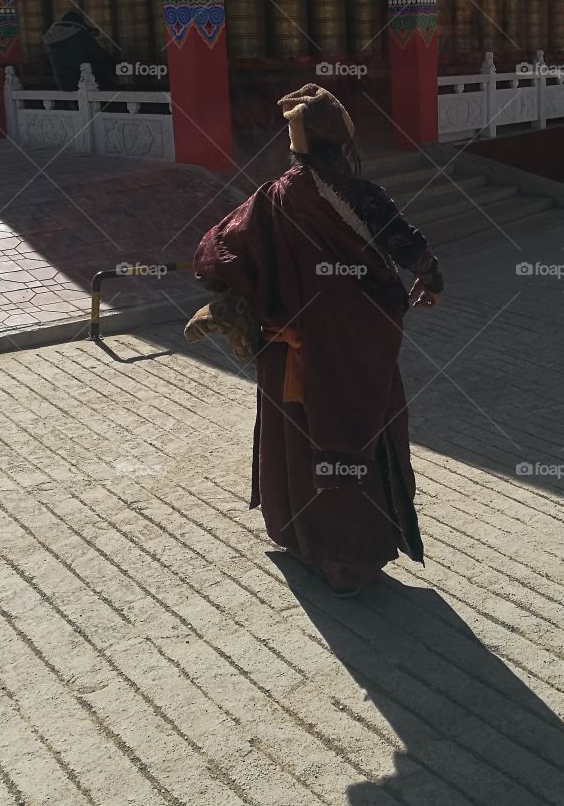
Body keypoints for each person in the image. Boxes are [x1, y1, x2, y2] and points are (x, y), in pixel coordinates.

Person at [185, 83, 443, 597]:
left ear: (296, 148)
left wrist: (238, 293)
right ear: (343, 143)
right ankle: (351, 559)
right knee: (354, 437)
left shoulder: (274, 196)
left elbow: (217, 247)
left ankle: (303, 540)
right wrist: (430, 277)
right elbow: (409, 245)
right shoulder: (363, 197)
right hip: (355, 350)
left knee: (299, 440)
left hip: (291, 348)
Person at [42, 9, 117, 91]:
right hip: (88, 84)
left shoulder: (50, 40)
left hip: (64, 86)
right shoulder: (80, 35)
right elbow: (100, 56)